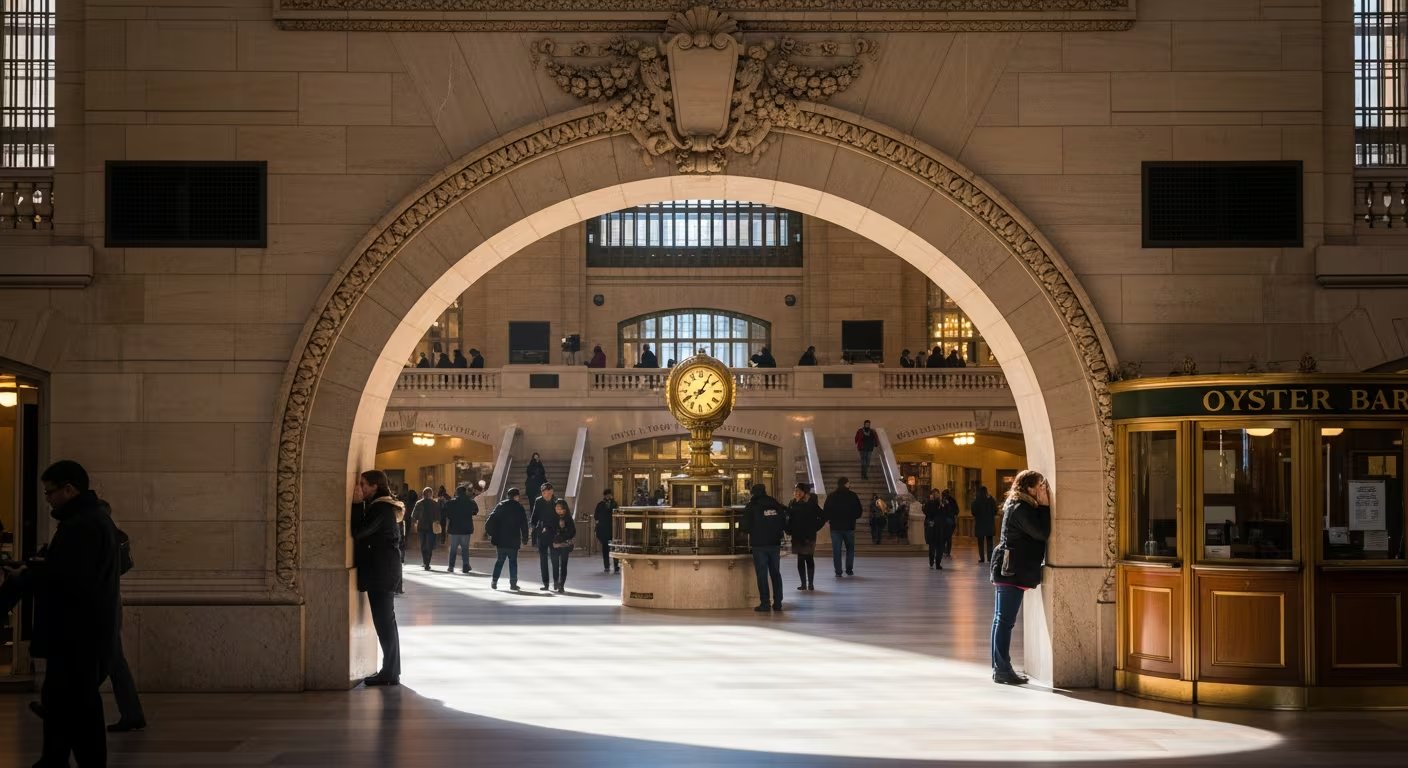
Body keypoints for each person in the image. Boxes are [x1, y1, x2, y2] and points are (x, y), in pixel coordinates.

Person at [5, 461, 122, 766]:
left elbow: (70, 578)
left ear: (69, 489)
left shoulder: (82, 525)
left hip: (75, 637)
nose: (48, 499)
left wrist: (26, 577)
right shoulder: (91, 520)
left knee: (74, 708)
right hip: (83, 636)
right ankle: (53, 760)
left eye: (51, 492)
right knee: (68, 706)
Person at [991, 470, 1051, 686]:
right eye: (1039, 487)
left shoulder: (1018, 505)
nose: (1042, 491)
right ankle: (1002, 670)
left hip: (1009, 568)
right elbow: (1041, 533)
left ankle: (1000, 668)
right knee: (1004, 621)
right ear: (1029, 488)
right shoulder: (1021, 508)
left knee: (1001, 620)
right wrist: (1044, 506)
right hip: (1011, 570)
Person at [352, 470, 403, 687]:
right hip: (383, 571)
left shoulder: (381, 508)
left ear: (375, 486)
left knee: (384, 623)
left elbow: (359, 531)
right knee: (386, 623)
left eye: (363, 484)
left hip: (382, 573)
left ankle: (390, 673)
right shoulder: (382, 507)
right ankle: (391, 670)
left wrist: (356, 504)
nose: (360, 488)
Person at [740, 483, 788, 612]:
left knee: (762, 575)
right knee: (775, 573)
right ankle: (778, 603)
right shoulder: (775, 504)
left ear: (753, 493)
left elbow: (744, 526)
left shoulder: (752, 506)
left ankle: (765, 603)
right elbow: (784, 521)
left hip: (759, 545)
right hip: (774, 543)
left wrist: (754, 530)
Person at [485, 489, 529, 590]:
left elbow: (490, 521)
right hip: (513, 540)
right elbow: (524, 524)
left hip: (501, 540)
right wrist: (525, 538)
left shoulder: (500, 505)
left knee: (500, 561)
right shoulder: (519, 507)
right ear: (516, 496)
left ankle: (494, 581)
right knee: (513, 562)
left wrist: (492, 533)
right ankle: (513, 584)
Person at [786, 483, 825, 591]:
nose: (796, 493)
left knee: (809, 558)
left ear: (804, 492)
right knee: (800, 559)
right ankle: (803, 584)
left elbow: (823, 516)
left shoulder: (811, 503)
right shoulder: (792, 503)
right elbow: (788, 517)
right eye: (795, 491)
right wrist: (788, 529)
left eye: (799, 491)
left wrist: (815, 527)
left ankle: (811, 584)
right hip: (797, 535)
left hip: (809, 535)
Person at [823, 477, 862, 577]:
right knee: (850, 549)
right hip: (849, 527)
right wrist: (852, 517)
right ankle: (849, 570)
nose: (850, 484)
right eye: (848, 483)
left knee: (836, 550)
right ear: (845, 484)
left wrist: (829, 519)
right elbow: (859, 511)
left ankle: (838, 571)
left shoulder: (831, 496)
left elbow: (826, 510)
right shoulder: (852, 496)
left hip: (835, 528)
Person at [528, 482, 558, 591]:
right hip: (542, 534)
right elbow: (534, 517)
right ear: (542, 493)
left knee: (555, 559)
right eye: (545, 493)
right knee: (543, 559)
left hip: (554, 534)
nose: (547, 495)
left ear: (552, 491)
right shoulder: (538, 501)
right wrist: (534, 528)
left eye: (549, 493)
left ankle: (556, 582)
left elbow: (561, 518)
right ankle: (545, 583)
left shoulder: (557, 502)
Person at [443, 485, 478, 573]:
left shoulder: (451, 502)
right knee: (465, 548)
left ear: (457, 492)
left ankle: (451, 566)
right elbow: (475, 511)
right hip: (466, 529)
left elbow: (445, 512)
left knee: (453, 548)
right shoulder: (470, 502)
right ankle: (465, 565)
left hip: (454, 529)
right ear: (465, 492)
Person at [548, 499, 576, 593]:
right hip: (554, 545)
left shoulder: (568, 519)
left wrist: (563, 530)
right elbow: (549, 530)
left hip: (564, 545)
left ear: (565, 509)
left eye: (560, 509)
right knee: (555, 565)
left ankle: (561, 585)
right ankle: (556, 581)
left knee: (563, 565)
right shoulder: (552, 518)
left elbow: (572, 532)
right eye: (557, 508)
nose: (558, 510)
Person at [411, 487, 441, 571]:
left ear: (423, 494)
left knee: (423, 544)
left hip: (421, 527)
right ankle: (427, 563)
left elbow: (414, 516)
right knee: (429, 545)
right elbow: (438, 516)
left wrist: (414, 525)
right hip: (431, 527)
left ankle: (425, 562)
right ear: (431, 494)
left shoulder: (419, 503)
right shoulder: (435, 504)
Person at [594, 489, 618, 573]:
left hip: (613, 529)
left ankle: (616, 566)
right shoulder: (600, 505)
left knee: (615, 548)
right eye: (607, 495)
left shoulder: (615, 504)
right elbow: (596, 516)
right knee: (605, 548)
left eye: (610, 495)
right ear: (604, 496)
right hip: (604, 530)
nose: (608, 496)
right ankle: (606, 566)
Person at [972, 485, 998, 563]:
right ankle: (990, 558)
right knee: (990, 542)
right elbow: (995, 511)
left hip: (980, 524)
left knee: (980, 543)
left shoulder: (976, 501)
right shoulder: (991, 500)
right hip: (989, 524)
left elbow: (973, 512)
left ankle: (982, 558)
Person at [923, 489, 945, 570]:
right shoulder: (940, 503)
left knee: (933, 545)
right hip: (938, 527)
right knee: (938, 546)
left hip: (933, 526)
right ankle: (937, 563)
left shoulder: (931, 503)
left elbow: (925, 512)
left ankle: (932, 561)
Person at [939, 488, 959, 560]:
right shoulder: (944, 501)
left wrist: (947, 506)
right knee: (947, 537)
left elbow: (955, 511)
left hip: (948, 521)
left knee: (946, 536)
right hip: (948, 521)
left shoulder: (950, 501)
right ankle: (946, 551)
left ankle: (946, 551)